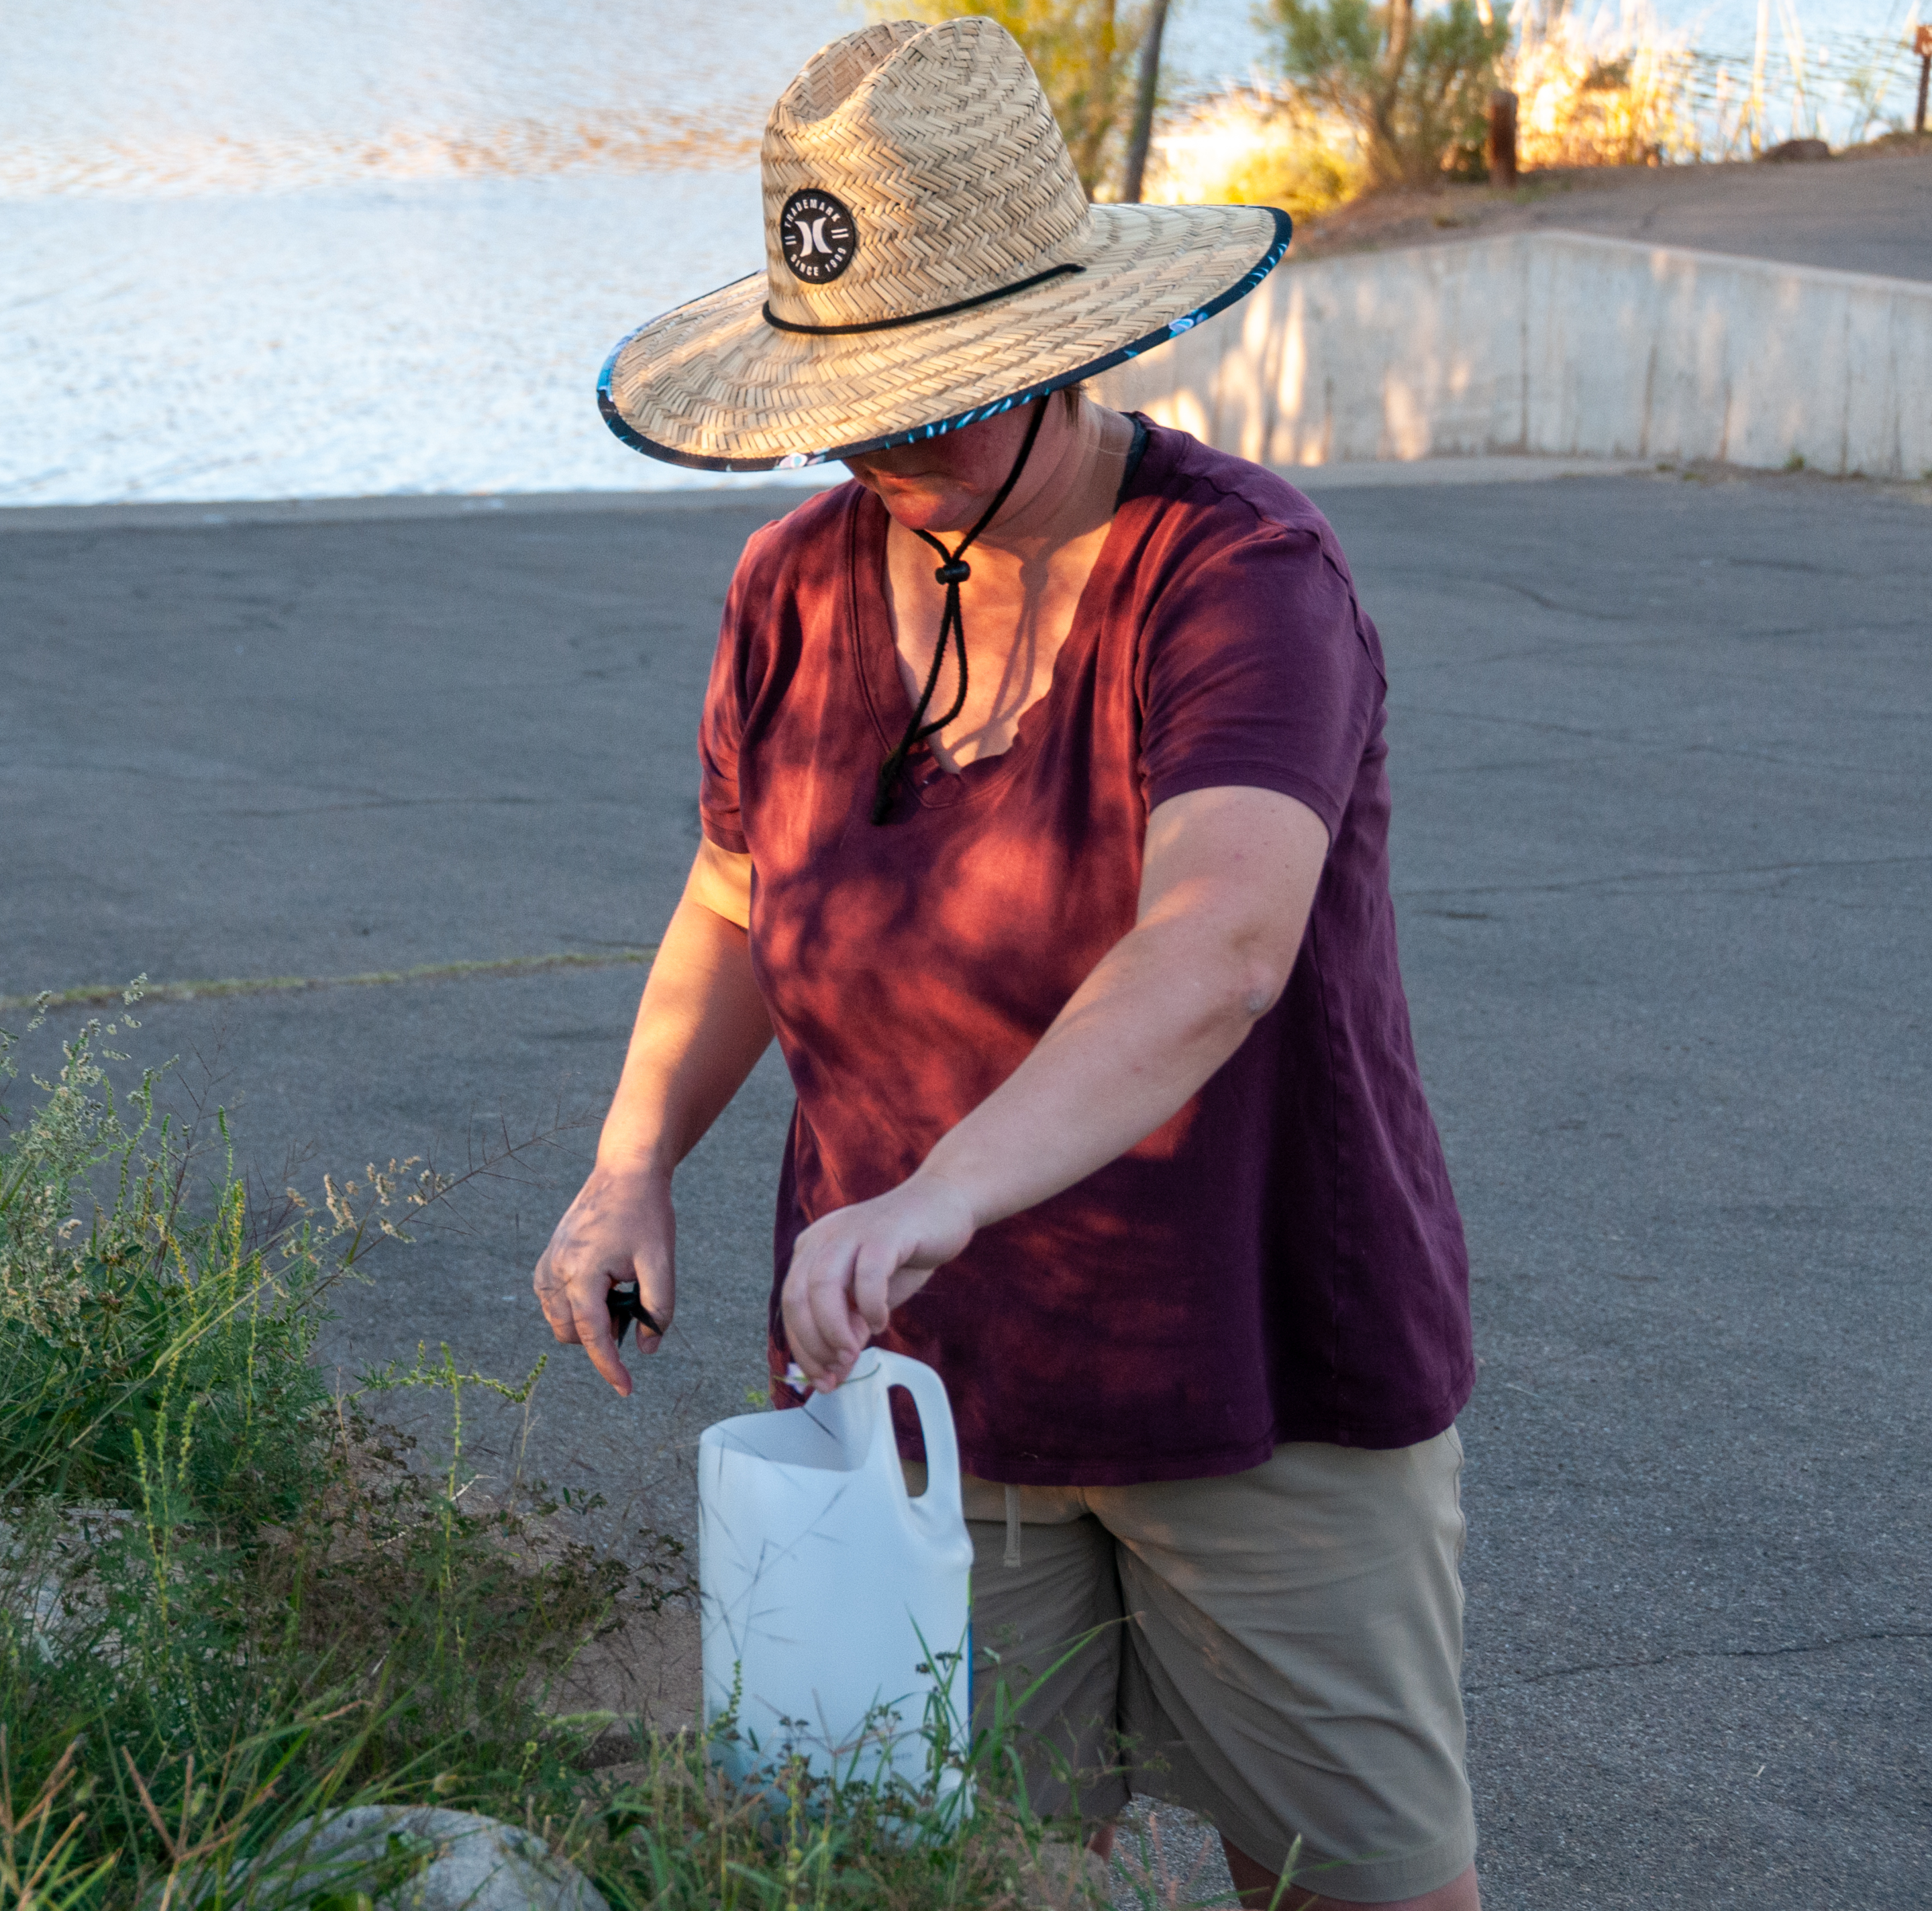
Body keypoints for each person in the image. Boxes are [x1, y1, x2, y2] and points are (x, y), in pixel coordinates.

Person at [531, 19, 1480, 1911]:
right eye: (855, 408)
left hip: (1255, 1363)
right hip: (919, 1384)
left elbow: (1218, 942)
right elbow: (735, 900)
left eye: (937, 403)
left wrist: (944, 1187)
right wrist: (631, 1161)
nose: (888, 450)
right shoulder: (790, 590)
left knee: (1355, 1887)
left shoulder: (1238, 576)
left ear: (1063, 348)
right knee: (944, 1874)